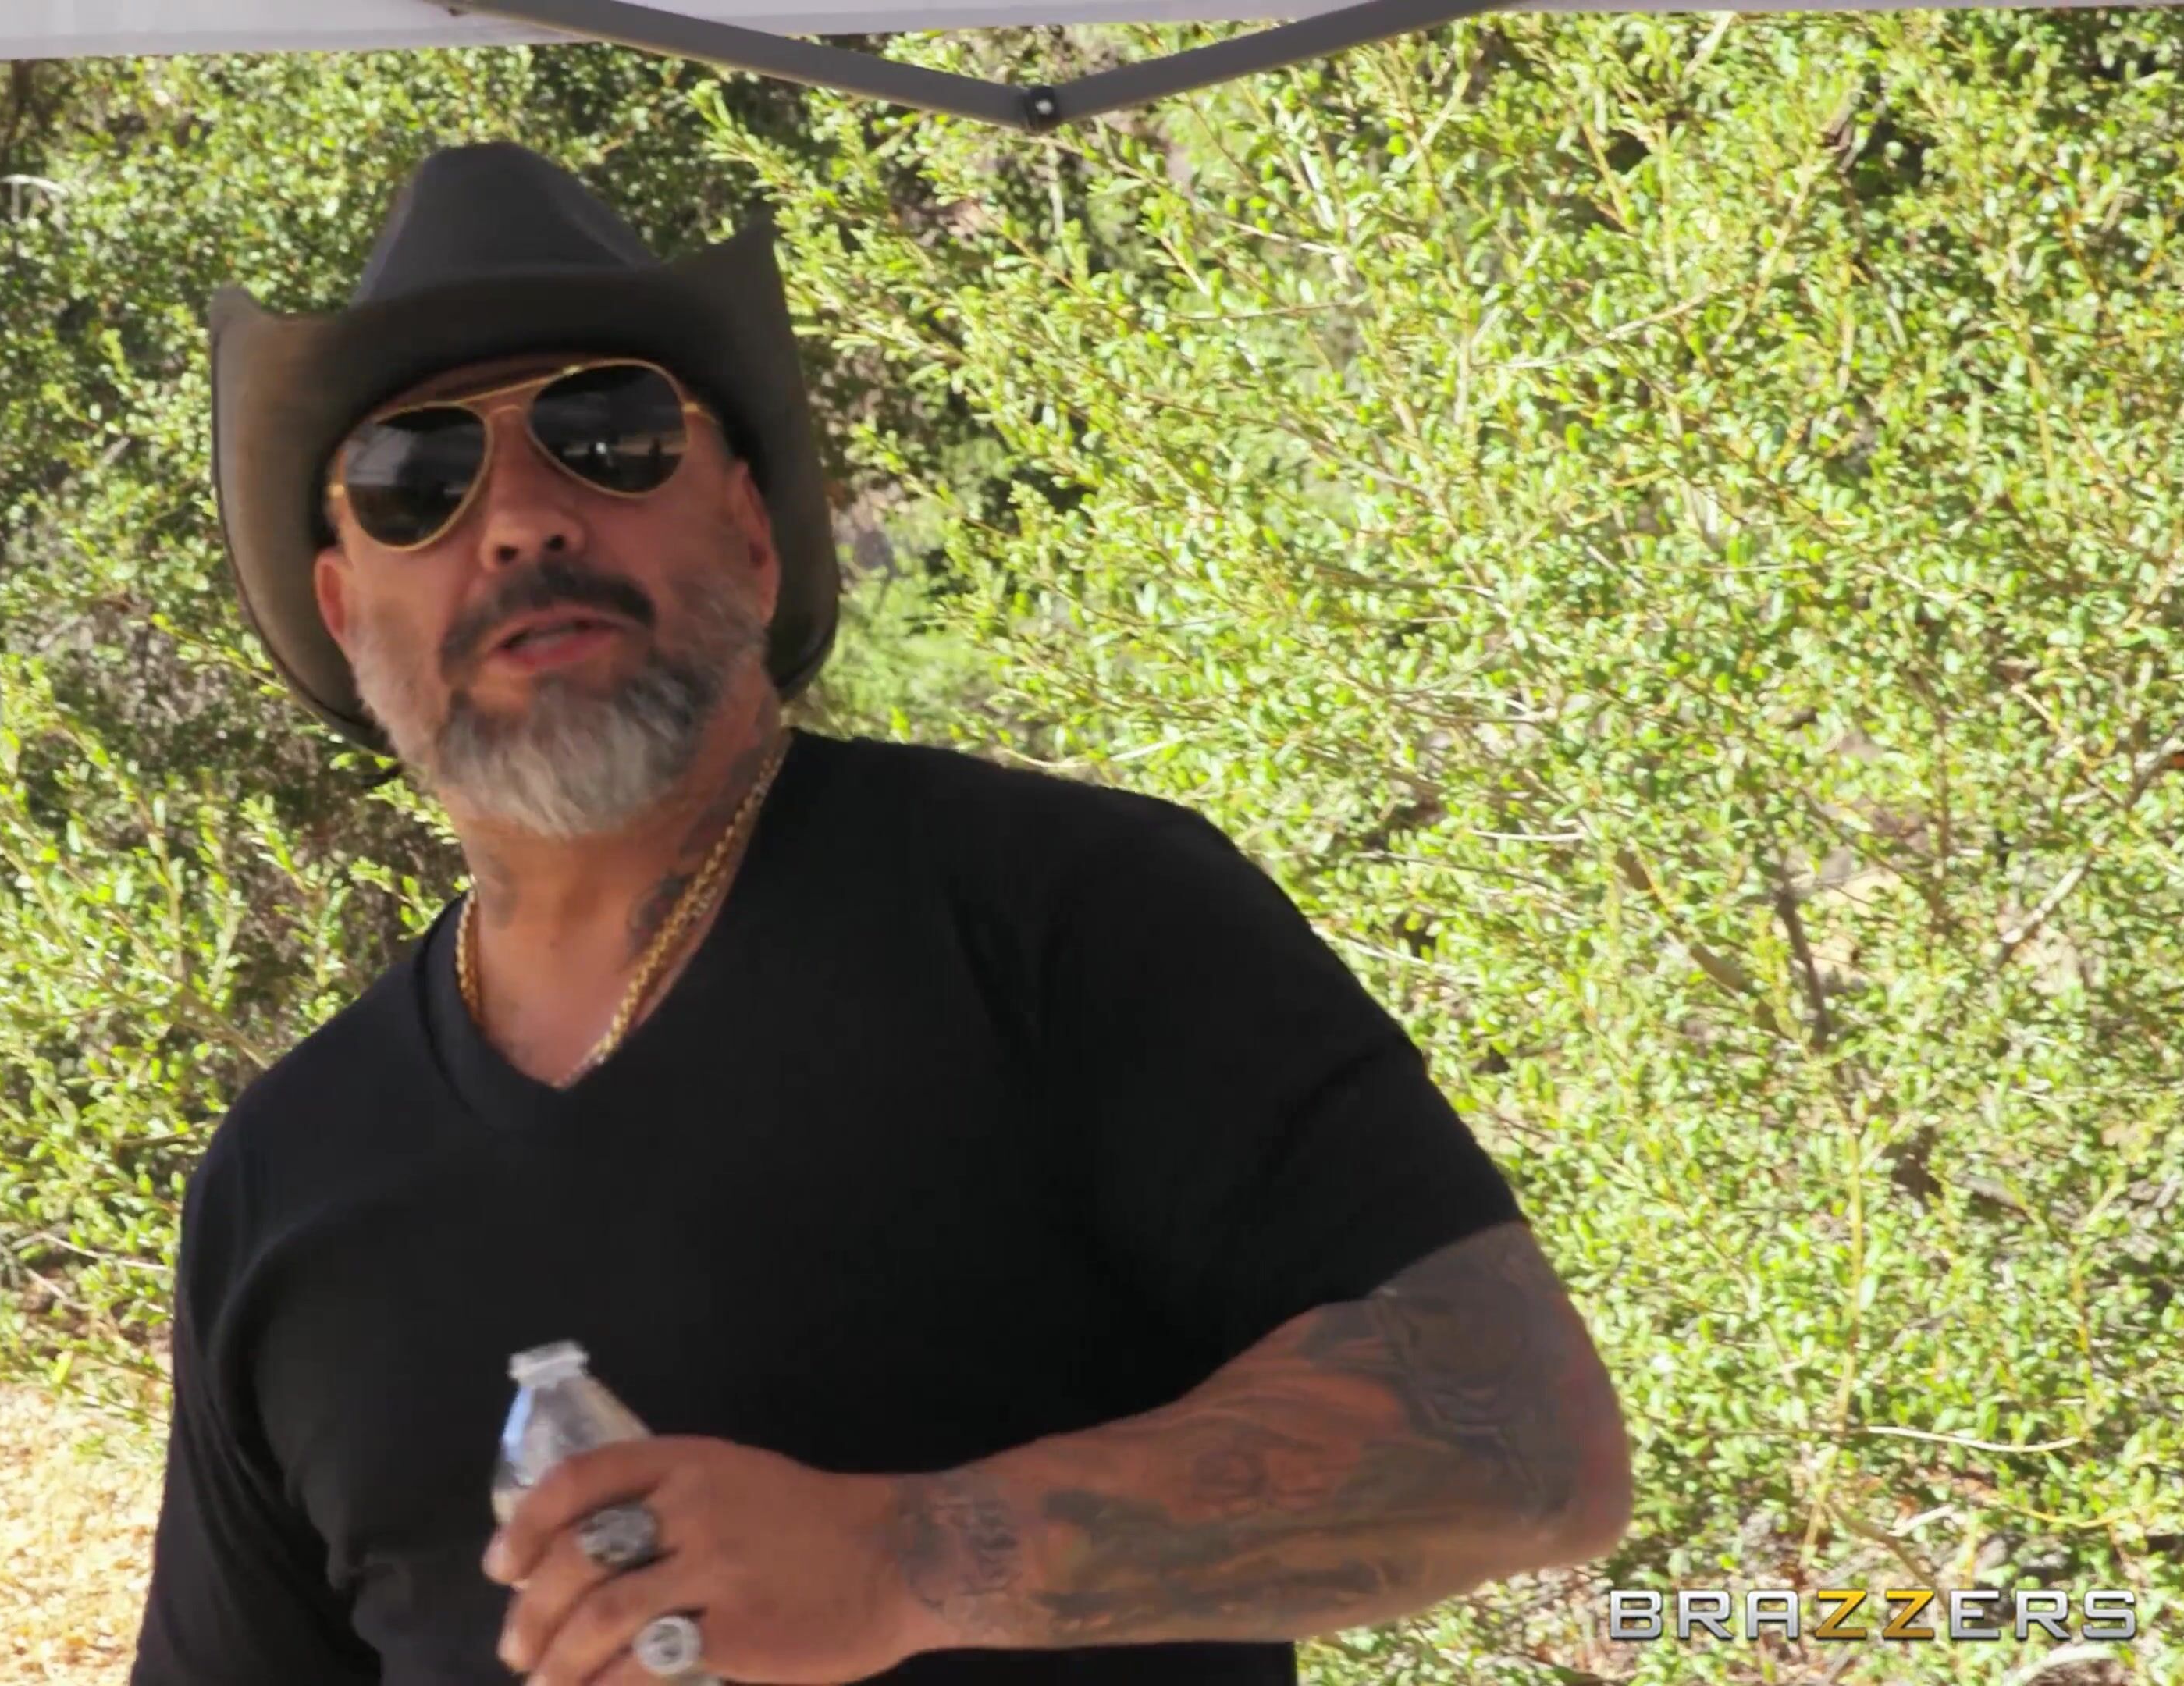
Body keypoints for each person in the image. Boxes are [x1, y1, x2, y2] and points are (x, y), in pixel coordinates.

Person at [132, 140, 1633, 1686]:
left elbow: (1529, 1440)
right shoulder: (284, 1175)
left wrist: (905, 1560)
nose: (519, 520)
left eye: (610, 434)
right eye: (415, 481)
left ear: (753, 528)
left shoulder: (1070, 917)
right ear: (343, 607)